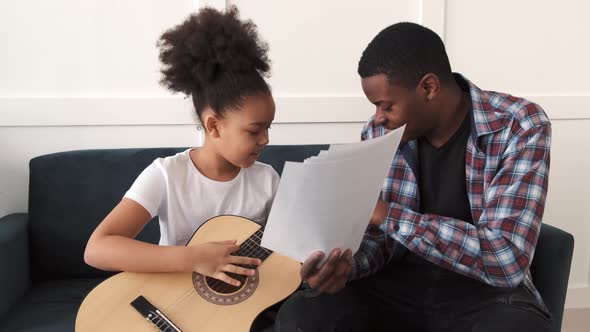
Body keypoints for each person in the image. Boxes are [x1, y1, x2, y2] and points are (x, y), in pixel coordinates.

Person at [275, 22, 552, 331]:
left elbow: (505, 259)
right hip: (396, 287)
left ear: (429, 88)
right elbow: (378, 243)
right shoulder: (379, 132)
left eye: (386, 105)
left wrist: (388, 215)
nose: (378, 117)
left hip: (484, 296)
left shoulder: (519, 124)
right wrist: (346, 266)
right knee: (303, 316)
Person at [84, 5, 279, 297]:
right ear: (214, 126)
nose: (265, 140)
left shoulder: (267, 180)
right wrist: (193, 258)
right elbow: (98, 248)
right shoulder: (166, 175)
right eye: (254, 130)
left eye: (269, 128)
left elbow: (286, 252)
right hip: (173, 302)